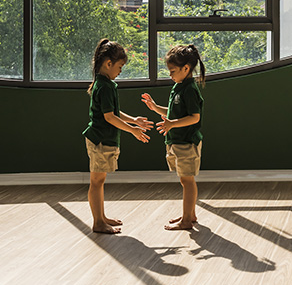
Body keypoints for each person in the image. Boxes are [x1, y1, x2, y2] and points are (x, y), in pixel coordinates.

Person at [84, 38, 153, 234]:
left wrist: (134, 121)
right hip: (99, 140)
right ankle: (98, 222)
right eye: (120, 66)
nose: (121, 70)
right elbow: (109, 117)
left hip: (104, 140)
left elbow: (114, 112)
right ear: (108, 63)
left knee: (99, 181)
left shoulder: (107, 85)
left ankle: (102, 217)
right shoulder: (104, 86)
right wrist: (132, 130)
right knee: (96, 181)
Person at [141, 44, 205, 231]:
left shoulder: (190, 89)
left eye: (173, 71)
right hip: (176, 141)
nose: (170, 75)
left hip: (187, 142)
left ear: (186, 68)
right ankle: (190, 214)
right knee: (184, 180)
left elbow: (195, 117)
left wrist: (172, 124)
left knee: (187, 181)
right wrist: (155, 108)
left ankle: (186, 220)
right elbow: (173, 111)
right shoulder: (178, 87)